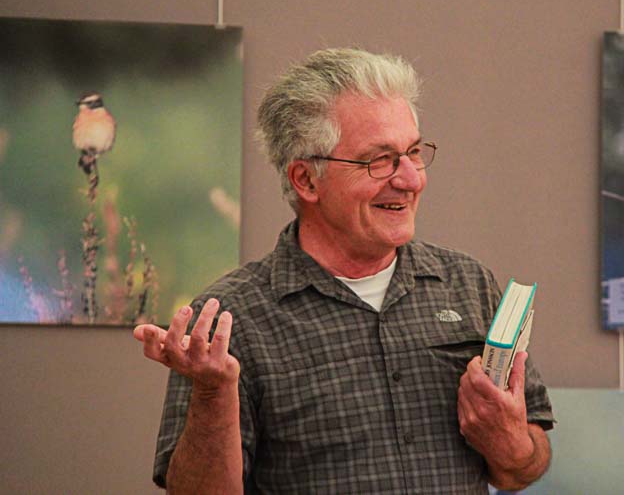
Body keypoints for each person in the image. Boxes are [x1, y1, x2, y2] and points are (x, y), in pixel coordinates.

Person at [134, 48, 554, 494]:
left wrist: (510, 442)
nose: (411, 179)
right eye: (379, 160)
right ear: (306, 180)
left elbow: (523, 470)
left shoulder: (468, 285)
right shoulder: (229, 320)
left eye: (414, 152)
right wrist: (212, 394)